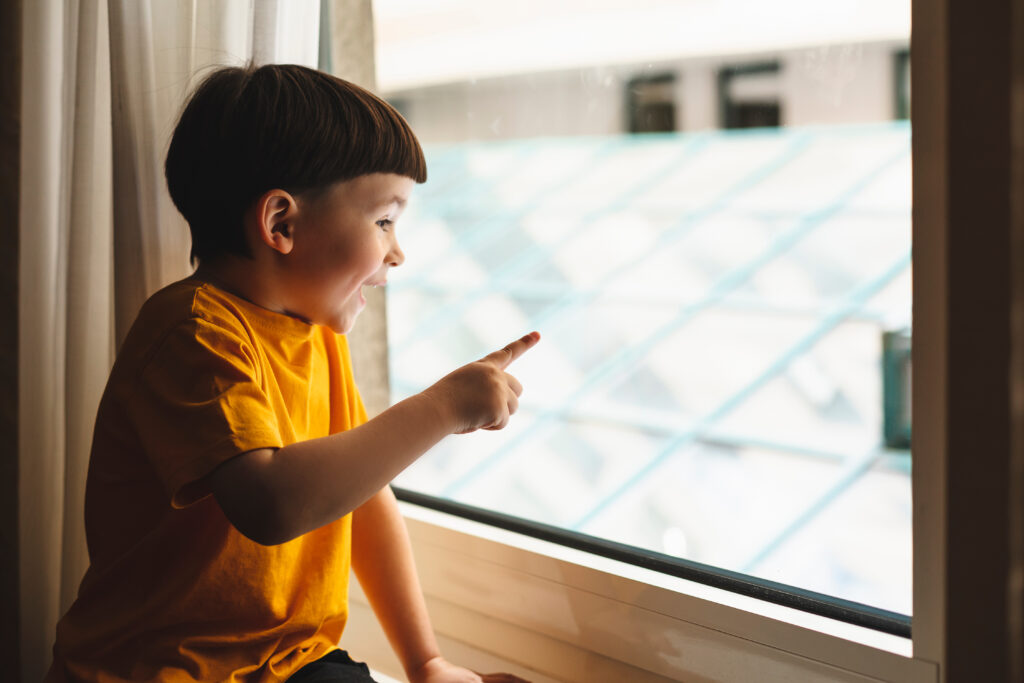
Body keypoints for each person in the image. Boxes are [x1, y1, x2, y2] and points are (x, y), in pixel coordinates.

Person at [46, 62, 539, 683]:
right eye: (384, 219)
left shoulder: (316, 335)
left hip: (289, 662)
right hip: (163, 670)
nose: (397, 251)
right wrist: (440, 408)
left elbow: (363, 501)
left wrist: (426, 661)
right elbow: (270, 504)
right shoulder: (194, 333)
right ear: (281, 224)